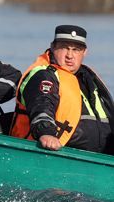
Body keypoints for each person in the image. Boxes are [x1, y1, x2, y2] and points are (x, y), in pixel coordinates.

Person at [10, 25, 114, 154]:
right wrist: (46, 133)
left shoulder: (88, 79)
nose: (70, 55)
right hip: (55, 154)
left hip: (97, 159)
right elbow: (42, 104)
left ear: (84, 52)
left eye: (76, 50)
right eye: (64, 48)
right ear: (53, 47)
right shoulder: (44, 75)